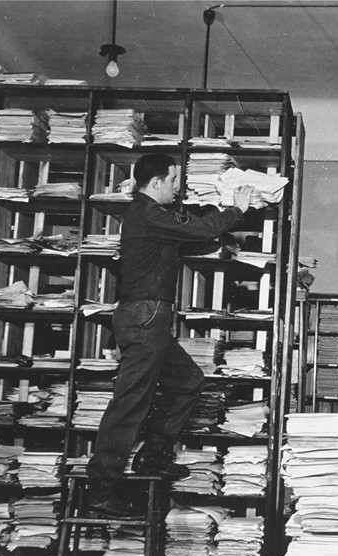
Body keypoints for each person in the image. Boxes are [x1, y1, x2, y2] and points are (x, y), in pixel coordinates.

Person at [86, 153, 252, 518]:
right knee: (131, 402)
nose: (178, 189)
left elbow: (194, 236)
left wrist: (218, 225)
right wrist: (235, 210)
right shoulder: (148, 213)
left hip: (151, 319)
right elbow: (198, 230)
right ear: (157, 181)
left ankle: (153, 456)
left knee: (188, 380)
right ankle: (101, 487)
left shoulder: (152, 218)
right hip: (144, 317)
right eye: (174, 181)